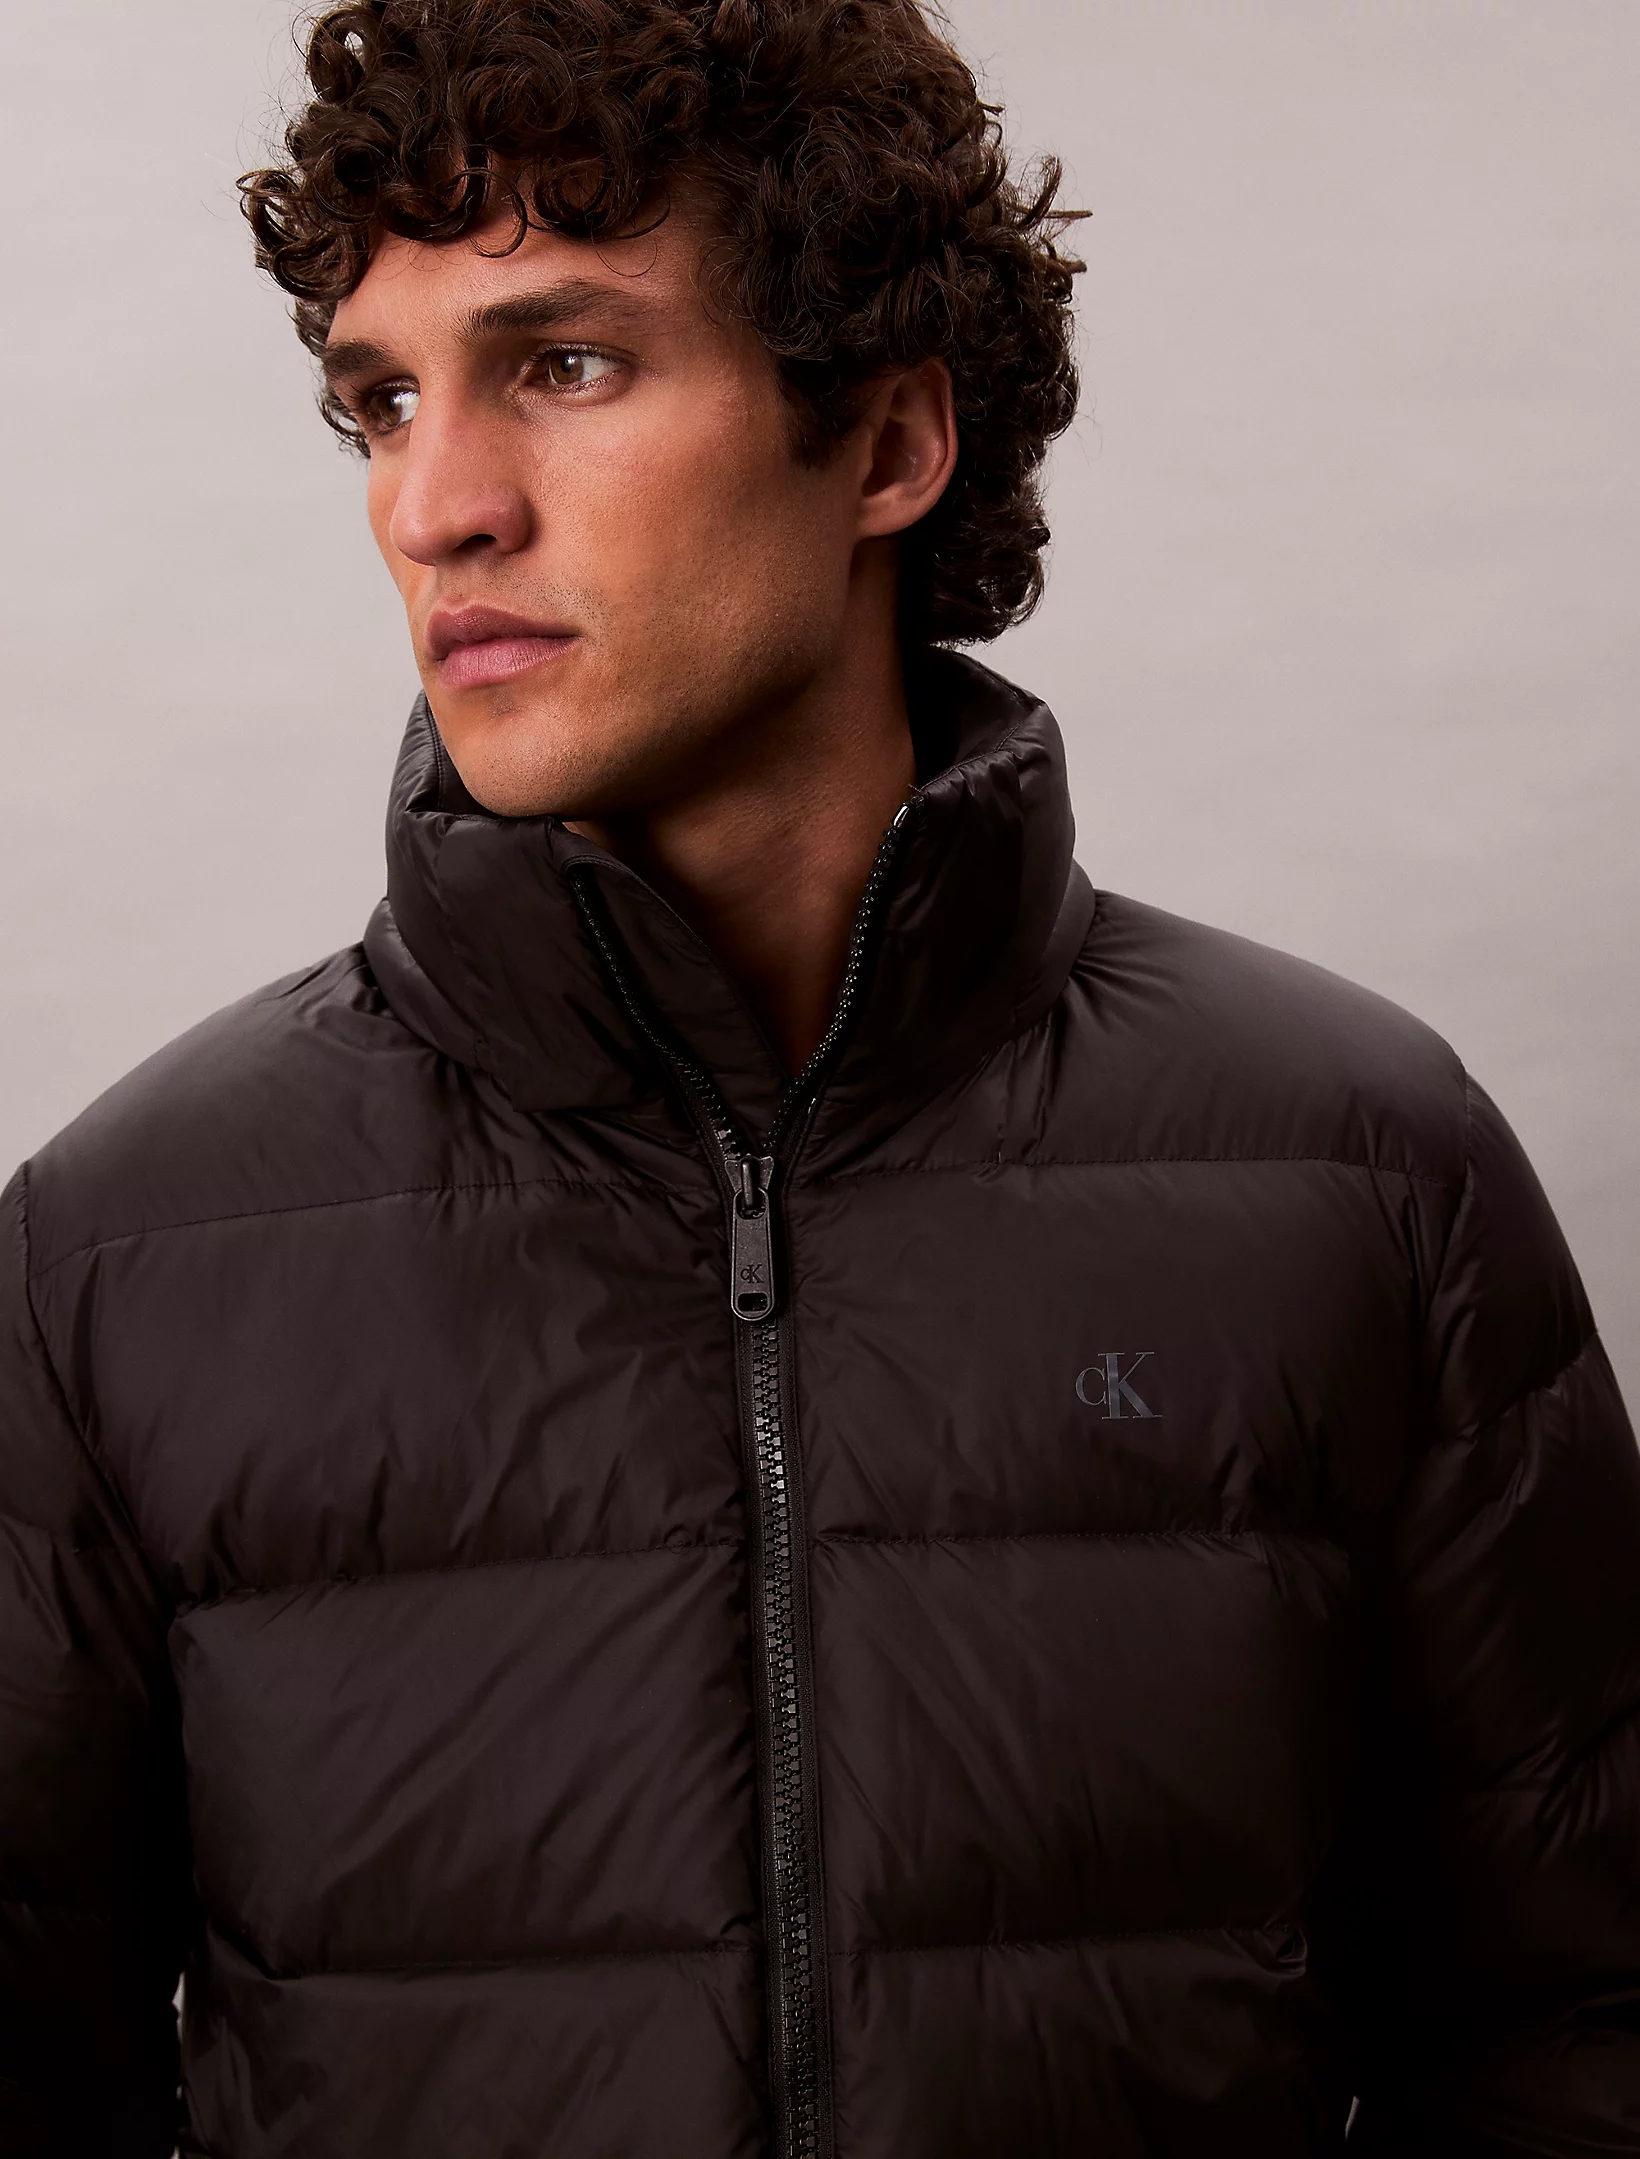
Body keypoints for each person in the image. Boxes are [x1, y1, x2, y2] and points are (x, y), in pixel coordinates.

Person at [3, 0, 1637, 2150]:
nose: (434, 506)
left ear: (884, 443)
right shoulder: (117, 1253)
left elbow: (1577, 2030)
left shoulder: (1368, 1172)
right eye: (381, 399)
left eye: (564, 364)